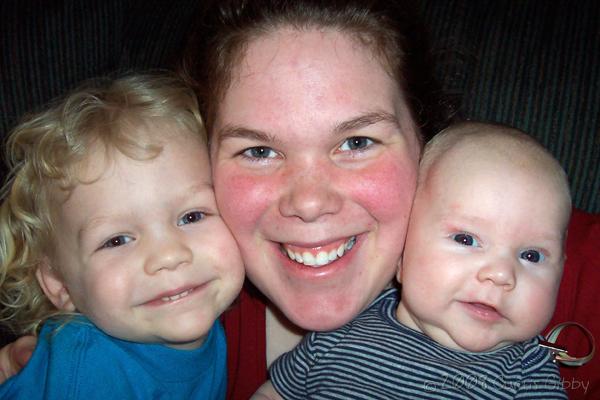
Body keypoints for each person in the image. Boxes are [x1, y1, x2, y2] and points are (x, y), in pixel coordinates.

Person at [0, 1, 454, 398]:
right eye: (258, 151)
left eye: (357, 142)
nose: (310, 202)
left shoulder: (511, 321)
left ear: (427, 142)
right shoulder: (175, 319)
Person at [254, 122, 571, 399]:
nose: (502, 274)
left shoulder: (527, 370)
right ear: (402, 250)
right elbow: (278, 393)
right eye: (466, 239)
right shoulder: (342, 329)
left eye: (531, 255)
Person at [0, 73, 245, 399]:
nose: (169, 256)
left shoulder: (209, 321)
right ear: (60, 284)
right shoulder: (91, 369)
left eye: (192, 216)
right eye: (117, 240)